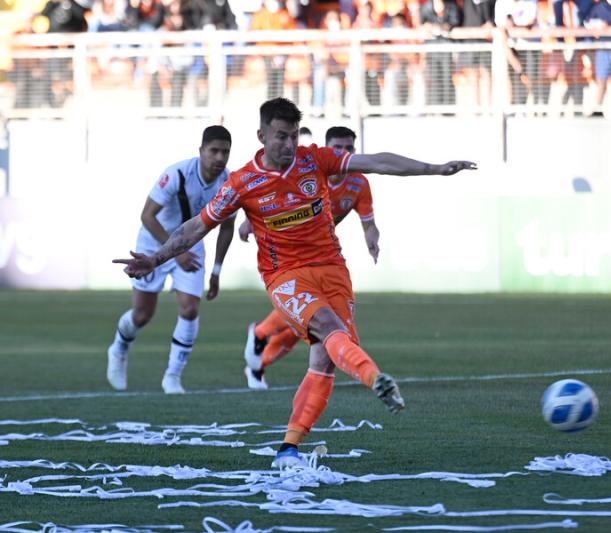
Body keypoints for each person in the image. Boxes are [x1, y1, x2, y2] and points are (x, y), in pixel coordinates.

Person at [114, 97, 476, 468]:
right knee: (330, 328)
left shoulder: (314, 159)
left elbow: (377, 162)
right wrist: (156, 258)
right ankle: (376, 379)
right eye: (281, 137)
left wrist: (435, 168)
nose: (289, 145)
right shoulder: (242, 183)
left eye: (294, 137)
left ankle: (288, 448)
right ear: (261, 136)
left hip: (333, 269)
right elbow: (196, 227)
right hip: (285, 276)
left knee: (325, 359)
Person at [239, 125, 380, 390]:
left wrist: (371, 237)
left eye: (349, 148)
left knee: (308, 330)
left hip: (323, 257)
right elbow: (270, 197)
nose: (344, 153)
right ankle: (259, 334)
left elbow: (368, 222)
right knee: (309, 320)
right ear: (327, 148)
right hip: (288, 258)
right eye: (337, 147)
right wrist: (250, 221)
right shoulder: (309, 172)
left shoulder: (358, 183)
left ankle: (258, 365)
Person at [107, 126, 235, 394]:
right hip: (153, 245)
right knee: (142, 315)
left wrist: (216, 271)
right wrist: (175, 251)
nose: (219, 157)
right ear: (201, 151)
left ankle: (173, 376)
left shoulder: (229, 183)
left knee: (190, 309)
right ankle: (118, 349)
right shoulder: (176, 174)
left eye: (225, 152)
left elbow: (226, 227)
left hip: (192, 247)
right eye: (214, 151)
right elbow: (147, 215)